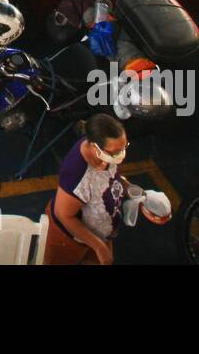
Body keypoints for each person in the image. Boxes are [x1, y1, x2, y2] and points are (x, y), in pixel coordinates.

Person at [44, 113, 166, 264]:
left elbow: (111, 178)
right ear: (95, 146)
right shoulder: (76, 173)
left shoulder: (105, 153)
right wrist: (99, 247)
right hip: (69, 240)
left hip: (98, 236)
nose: (121, 155)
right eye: (115, 152)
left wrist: (138, 195)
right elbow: (64, 215)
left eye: (124, 147)